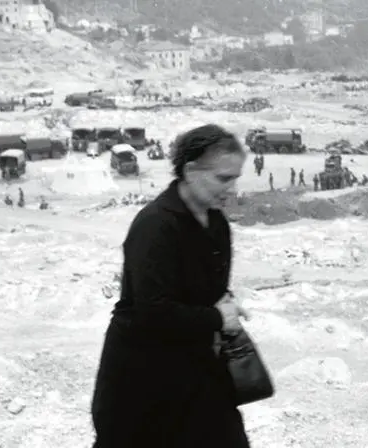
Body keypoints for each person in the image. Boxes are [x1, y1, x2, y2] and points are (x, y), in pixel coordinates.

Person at [91, 124, 251, 448]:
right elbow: (154, 313)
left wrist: (226, 304)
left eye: (235, 178)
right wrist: (219, 318)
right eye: (223, 178)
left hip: (197, 371)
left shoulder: (216, 222)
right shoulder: (155, 226)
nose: (232, 188)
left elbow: (207, 289)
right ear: (190, 171)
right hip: (142, 383)